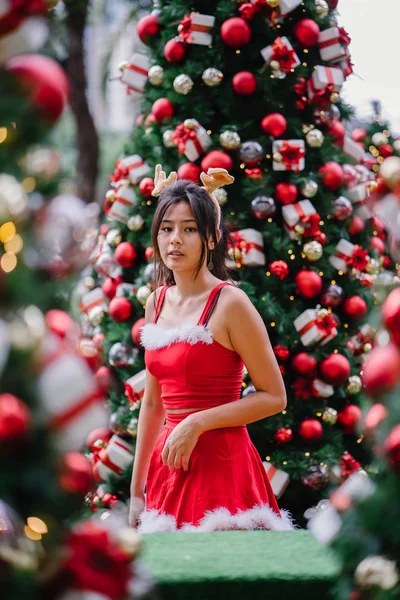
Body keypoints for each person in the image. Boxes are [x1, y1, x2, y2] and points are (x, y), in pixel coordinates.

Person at [129, 164, 293, 532]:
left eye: (189, 229)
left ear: (212, 238)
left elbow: (274, 396)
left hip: (223, 469)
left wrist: (197, 422)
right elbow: (153, 403)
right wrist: (136, 489)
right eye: (167, 229)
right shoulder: (155, 301)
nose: (175, 240)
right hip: (168, 468)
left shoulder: (230, 303)